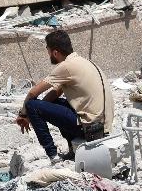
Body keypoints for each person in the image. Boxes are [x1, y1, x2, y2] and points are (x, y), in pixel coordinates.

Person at [15, 30, 114, 164]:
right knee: (52, 103)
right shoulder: (83, 61)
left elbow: (33, 93)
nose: (48, 54)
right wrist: (37, 114)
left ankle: (53, 156)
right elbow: (56, 92)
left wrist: (24, 113)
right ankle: (73, 151)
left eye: (48, 51)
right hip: (103, 126)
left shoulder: (66, 67)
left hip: (90, 128)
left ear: (55, 52)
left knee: (31, 104)